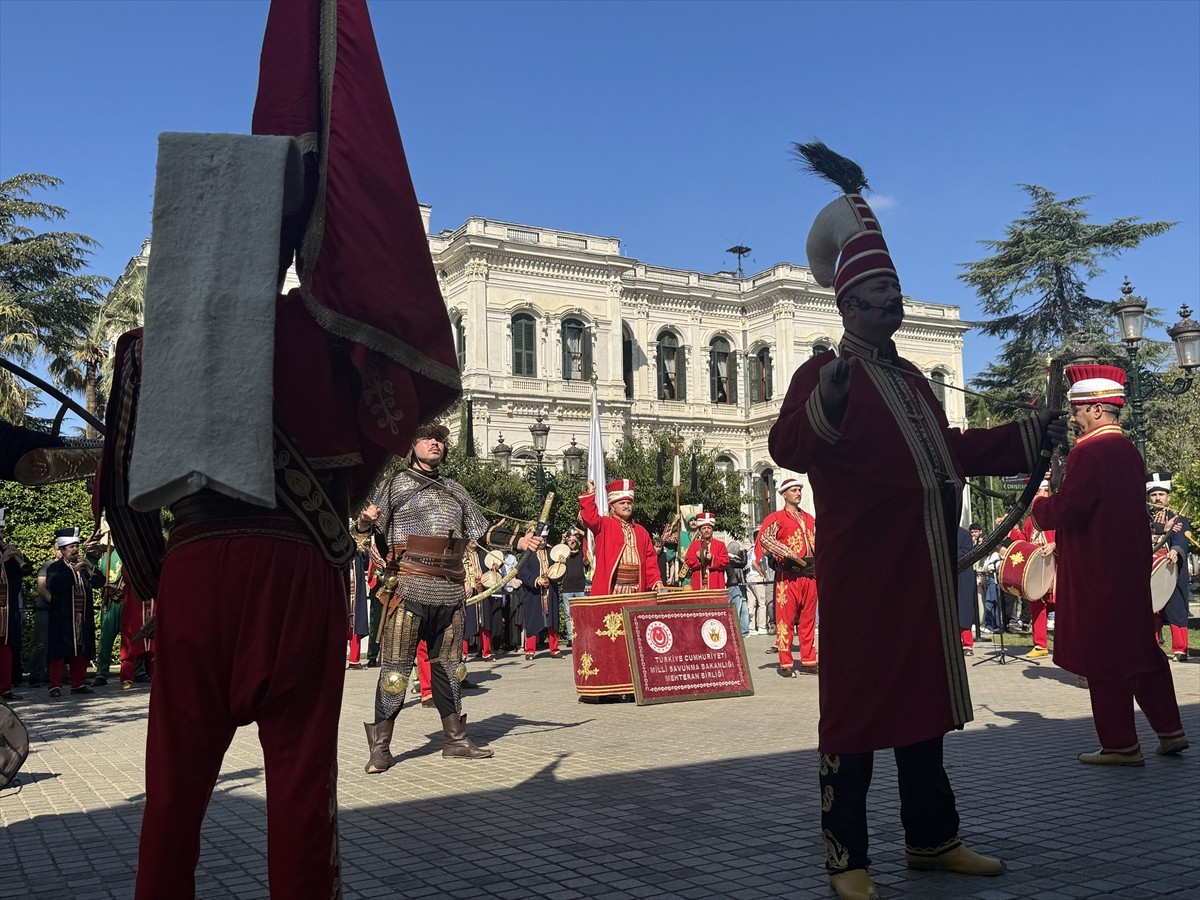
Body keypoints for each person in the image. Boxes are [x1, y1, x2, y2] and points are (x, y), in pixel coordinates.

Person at [96, 4, 466, 897]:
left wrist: (163, 580)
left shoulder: (144, 349)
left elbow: (123, 501)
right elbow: (379, 431)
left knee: (172, 799)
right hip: (300, 572)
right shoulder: (330, 339)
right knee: (302, 796)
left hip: (196, 571)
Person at [769, 141, 1068, 900]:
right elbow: (788, 446)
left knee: (921, 711)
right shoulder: (821, 372)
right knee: (856, 714)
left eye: (897, 293)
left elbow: (953, 453)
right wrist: (828, 399)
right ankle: (847, 857)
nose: (894, 305)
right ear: (848, 305)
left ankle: (933, 840)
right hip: (865, 574)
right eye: (881, 295)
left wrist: (1029, 434)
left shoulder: (911, 379)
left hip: (923, 571)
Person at [356, 423, 544, 772]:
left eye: (440, 439)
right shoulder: (395, 484)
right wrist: (366, 523)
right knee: (396, 671)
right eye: (428, 438)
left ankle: (455, 740)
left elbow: (482, 530)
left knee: (450, 669)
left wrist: (519, 541)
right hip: (409, 586)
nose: (435, 443)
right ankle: (380, 749)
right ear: (412, 446)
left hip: (449, 588)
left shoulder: (455, 489)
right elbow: (366, 527)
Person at [1031, 369, 1188, 765]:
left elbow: (1071, 509)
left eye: (1078, 410)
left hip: (1097, 571)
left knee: (1103, 656)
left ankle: (1121, 745)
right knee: (1141, 650)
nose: (1073, 417)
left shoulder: (1089, 452)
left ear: (1098, 409)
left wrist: (1040, 504)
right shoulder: (1128, 451)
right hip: (1127, 569)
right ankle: (1170, 730)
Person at [756, 478, 818, 676]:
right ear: (784, 494)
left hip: (810, 574)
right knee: (786, 620)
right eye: (793, 490)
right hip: (788, 575)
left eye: (799, 490)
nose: (798, 493)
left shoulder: (809, 518)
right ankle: (786, 663)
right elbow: (765, 538)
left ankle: (808, 661)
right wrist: (785, 551)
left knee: (808, 620)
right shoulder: (777, 518)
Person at [44, 529, 103, 698]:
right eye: (71, 547)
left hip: (82, 615)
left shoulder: (84, 567)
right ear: (62, 550)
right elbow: (54, 584)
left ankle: (78, 684)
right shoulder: (55, 567)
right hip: (63, 617)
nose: (75, 550)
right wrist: (74, 571)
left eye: (76, 546)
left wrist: (90, 568)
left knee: (81, 649)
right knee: (58, 651)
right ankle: (55, 685)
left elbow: (99, 582)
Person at [579, 479, 663, 595]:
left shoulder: (641, 531)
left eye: (629, 503)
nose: (626, 506)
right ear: (612, 506)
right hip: (612, 591)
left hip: (636, 591)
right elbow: (590, 518)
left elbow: (650, 560)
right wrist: (590, 494)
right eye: (622, 503)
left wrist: (655, 580)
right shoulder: (604, 525)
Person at [1007, 480, 1056, 658]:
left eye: (1039, 492)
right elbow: (1024, 541)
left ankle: (1068, 644)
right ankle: (1040, 644)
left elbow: (1067, 535)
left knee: (1062, 605)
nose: (1036, 496)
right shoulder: (1030, 519)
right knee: (1037, 605)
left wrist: (1055, 544)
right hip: (1036, 568)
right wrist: (1011, 530)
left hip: (1055, 567)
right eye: (1035, 492)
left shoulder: (1056, 515)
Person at [1147, 471, 1191, 663]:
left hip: (1171, 570)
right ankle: (1151, 647)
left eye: (1161, 494)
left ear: (1168, 497)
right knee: (1150, 609)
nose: (1157, 498)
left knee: (1176, 608)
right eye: (1154, 494)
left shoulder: (1178, 519)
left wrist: (1175, 550)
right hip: (1147, 570)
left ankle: (1180, 649)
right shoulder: (1142, 519)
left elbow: (1181, 539)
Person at [0, 509, 33, 701]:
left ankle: (5, 688)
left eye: (2, 531)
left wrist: (19, 557)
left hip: (7, 609)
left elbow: (26, 572)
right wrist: (1, 561)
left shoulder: (8, 552)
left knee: (6, 649)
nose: (1, 535)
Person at [683, 511, 729, 591]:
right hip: (698, 584)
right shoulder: (694, 545)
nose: (706, 530)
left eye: (709, 528)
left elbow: (725, 561)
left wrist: (713, 558)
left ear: (712, 529)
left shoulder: (720, 545)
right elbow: (688, 561)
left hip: (715, 584)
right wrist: (697, 557)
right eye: (704, 528)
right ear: (700, 530)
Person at [557, 528, 588, 642]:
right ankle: (571, 638)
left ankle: (583, 636)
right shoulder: (564, 555)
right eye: (569, 540)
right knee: (568, 614)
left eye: (574, 540)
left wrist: (579, 532)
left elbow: (590, 541)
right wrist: (562, 539)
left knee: (582, 613)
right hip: (567, 588)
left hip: (580, 587)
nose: (572, 542)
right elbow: (557, 551)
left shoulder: (582, 553)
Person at [970, 523, 1000, 634]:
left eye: (975, 531)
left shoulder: (993, 554)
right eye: (972, 532)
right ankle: (983, 622)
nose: (973, 534)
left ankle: (990, 624)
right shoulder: (973, 545)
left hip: (989, 577)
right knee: (981, 601)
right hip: (979, 575)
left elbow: (992, 567)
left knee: (989, 602)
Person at [956, 526, 976, 656]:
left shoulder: (964, 534)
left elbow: (967, 553)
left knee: (964, 610)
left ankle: (967, 643)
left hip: (963, 575)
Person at [725, 539, 751, 637]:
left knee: (744, 609)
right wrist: (744, 551)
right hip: (734, 586)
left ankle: (744, 631)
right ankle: (735, 631)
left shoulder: (735, 558)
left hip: (740, 585)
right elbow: (743, 563)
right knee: (737, 609)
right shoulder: (729, 559)